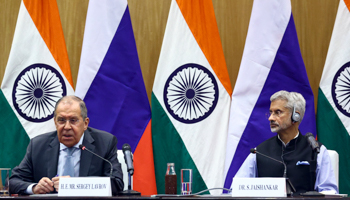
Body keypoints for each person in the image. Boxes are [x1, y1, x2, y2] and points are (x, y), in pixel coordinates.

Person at [9, 96, 124, 195]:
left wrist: (73, 185)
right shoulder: (38, 145)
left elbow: (116, 183)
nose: (67, 127)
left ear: (85, 123)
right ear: (55, 122)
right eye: (61, 120)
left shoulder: (105, 142)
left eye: (73, 120)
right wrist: (34, 188)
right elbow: (13, 181)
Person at [233, 90, 338, 194]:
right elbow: (236, 190)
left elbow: (329, 192)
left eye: (278, 112)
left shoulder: (316, 151)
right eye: (270, 113)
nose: (270, 118)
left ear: (295, 116)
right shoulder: (259, 152)